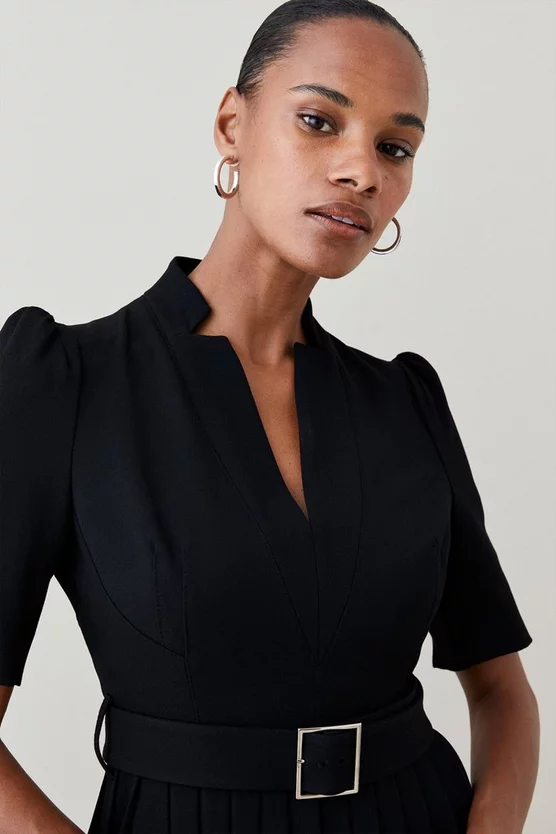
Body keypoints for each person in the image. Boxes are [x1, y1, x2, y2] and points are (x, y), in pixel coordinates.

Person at [0, 1, 540, 832]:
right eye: (320, 121)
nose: (362, 171)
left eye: (395, 148)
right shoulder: (64, 382)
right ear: (232, 124)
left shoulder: (404, 401)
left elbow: (501, 689)